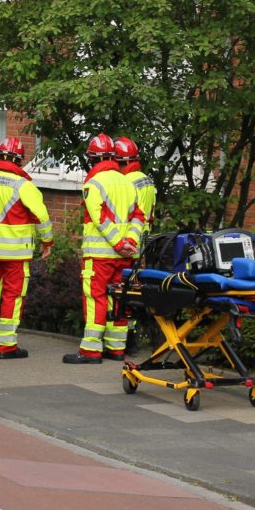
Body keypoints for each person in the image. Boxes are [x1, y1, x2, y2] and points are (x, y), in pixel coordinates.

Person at [63, 133, 145, 364]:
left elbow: (100, 218)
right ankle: (116, 349)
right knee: (119, 298)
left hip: (99, 256)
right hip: (125, 256)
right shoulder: (127, 183)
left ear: (93, 160)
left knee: (95, 298)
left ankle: (90, 351)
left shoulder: (94, 183)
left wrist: (119, 243)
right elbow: (139, 216)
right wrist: (130, 242)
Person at [0, 137, 54, 360]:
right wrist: (47, 242)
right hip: (16, 253)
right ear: (20, 160)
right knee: (12, 295)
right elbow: (42, 216)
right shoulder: (23, 185)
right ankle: (6, 346)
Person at [115, 136, 157, 354]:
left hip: (130, 241)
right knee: (136, 288)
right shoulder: (146, 179)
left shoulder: (126, 182)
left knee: (124, 291)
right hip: (145, 241)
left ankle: (126, 340)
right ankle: (134, 335)